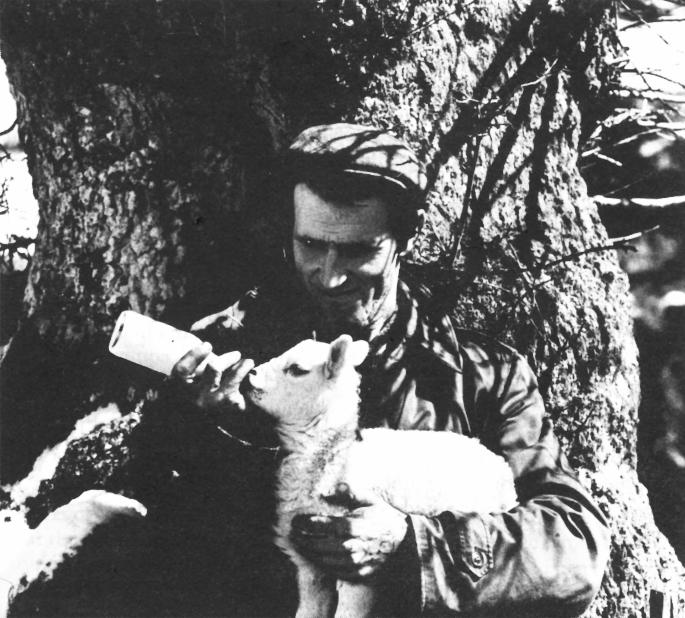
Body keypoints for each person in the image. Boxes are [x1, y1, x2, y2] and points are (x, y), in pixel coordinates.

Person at [170, 123, 610, 616]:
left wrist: (415, 546)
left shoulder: (482, 378)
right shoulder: (230, 352)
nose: (331, 275)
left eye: (359, 250)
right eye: (311, 245)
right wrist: (215, 432)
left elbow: (572, 548)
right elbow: (161, 537)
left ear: (408, 234)